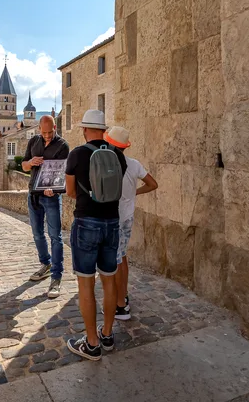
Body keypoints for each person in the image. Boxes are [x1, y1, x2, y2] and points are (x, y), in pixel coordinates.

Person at [65, 110, 127, 361]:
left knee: (86, 282)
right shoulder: (118, 156)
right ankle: (108, 334)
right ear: (104, 130)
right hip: (112, 222)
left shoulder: (77, 154)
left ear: (84, 130)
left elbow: (70, 191)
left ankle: (91, 343)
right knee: (109, 280)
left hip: (86, 222)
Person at [103, 126, 158, 320]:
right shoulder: (134, 164)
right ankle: (123, 297)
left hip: (113, 218)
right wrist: (135, 192)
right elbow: (153, 184)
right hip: (127, 217)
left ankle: (120, 306)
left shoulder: (107, 166)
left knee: (115, 261)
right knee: (122, 257)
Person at [22, 115, 69, 298]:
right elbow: (25, 166)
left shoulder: (62, 145)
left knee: (55, 237)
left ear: (55, 127)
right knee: (37, 234)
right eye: (44, 132)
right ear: (39, 129)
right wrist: (31, 162)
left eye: (50, 132)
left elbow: (62, 173)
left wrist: (54, 189)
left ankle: (56, 277)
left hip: (50, 197)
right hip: (33, 195)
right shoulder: (34, 141)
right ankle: (46, 264)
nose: (48, 136)